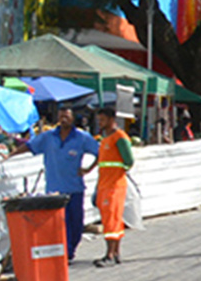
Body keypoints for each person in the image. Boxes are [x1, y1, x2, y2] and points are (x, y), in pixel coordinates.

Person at [25, 107, 100, 263]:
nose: (63, 119)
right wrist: (10, 155)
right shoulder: (48, 137)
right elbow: (30, 146)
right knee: (60, 224)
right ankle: (65, 253)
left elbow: (100, 153)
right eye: (61, 116)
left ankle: (71, 248)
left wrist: (89, 169)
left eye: (67, 116)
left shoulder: (82, 137)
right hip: (54, 189)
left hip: (75, 188)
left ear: (73, 118)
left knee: (77, 224)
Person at [93, 105, 136, 265]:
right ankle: (115, 253)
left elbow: (129, 161)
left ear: (111, 120)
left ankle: (109, 255)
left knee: (112, 219)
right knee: (111, 219)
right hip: (105, 185)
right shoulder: (105, 139)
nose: (100, 123)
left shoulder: (119, 137)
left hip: (114, 185)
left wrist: (117, 174)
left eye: (102, 120)